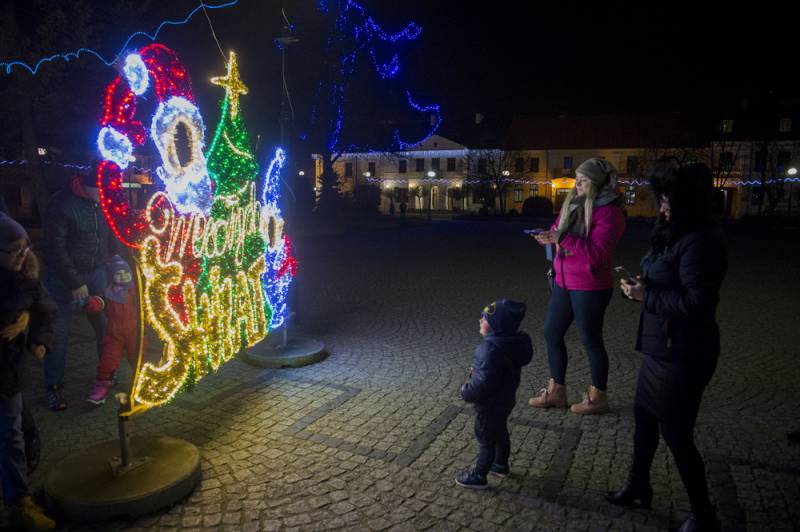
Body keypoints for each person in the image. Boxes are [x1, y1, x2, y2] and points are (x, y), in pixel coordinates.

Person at [608, 162, 726, 532]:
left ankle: (704, 515)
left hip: (685, 353)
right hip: (662, 347)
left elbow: (698, 302)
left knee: (676, 433)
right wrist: (640, 288)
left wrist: (648, 296)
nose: (662, 208)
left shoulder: (700, 241)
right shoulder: (674, 234)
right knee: (644, 418)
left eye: (668, 201)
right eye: (661, 200)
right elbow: (664, 281)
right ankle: (638, 486)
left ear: (687, 203)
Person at [528, 158, 626, 414]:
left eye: (583, 180)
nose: (577, 184)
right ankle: (556, 392)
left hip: (590, 286)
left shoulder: (610, 212)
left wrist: (562, 237)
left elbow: (597, 254)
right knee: (552, 333)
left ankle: (598, 397)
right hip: (563, 281)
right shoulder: (572, 204)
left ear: (597, 183)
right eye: (577, 179)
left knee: (591, 340)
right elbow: (556, 230)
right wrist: (548, 237)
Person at [0, 212, 57, 531]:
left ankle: (20, 499)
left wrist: (35, 334)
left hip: (10, 370)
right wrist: (20, 317)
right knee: (11, 434)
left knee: (17, 432)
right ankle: (18, 501)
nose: (23, 255)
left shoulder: (28, 275)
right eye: (14, 250)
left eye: (26, 247)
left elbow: (45, 310)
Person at [42, 172, 113, 410]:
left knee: (105, 326)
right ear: (87, 185)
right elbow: (54, 249)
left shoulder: (101, 203)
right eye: (100, 190)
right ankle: (53, 388)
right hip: (63, 278)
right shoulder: (62, 204)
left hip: (96, 272)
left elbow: (109, 238)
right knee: (59, 333)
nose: (104, 196)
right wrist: (74, 282)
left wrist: (114, 265)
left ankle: (107, 375)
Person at [456, 299, 533, 489]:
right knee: (499, 431)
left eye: (484, 319)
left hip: (489, 404)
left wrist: (466, 391)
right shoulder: (511, 344)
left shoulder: (489, 350)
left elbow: (482, 384)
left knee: (485, 438)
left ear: (496, 326)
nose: (480, 321)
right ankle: (500, 464)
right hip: (506, 400)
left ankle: (479, 475)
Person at [85, 255, 139, 406]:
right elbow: (100, 302)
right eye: (118, 273)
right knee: (107, 361)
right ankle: (101, 387)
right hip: (114, 334)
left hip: (135, 333)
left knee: (137, 358)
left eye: (126, 272)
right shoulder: (109, 292)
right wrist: (90, 303)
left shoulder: (136, 291)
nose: (123, 276)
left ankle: (141, 382)